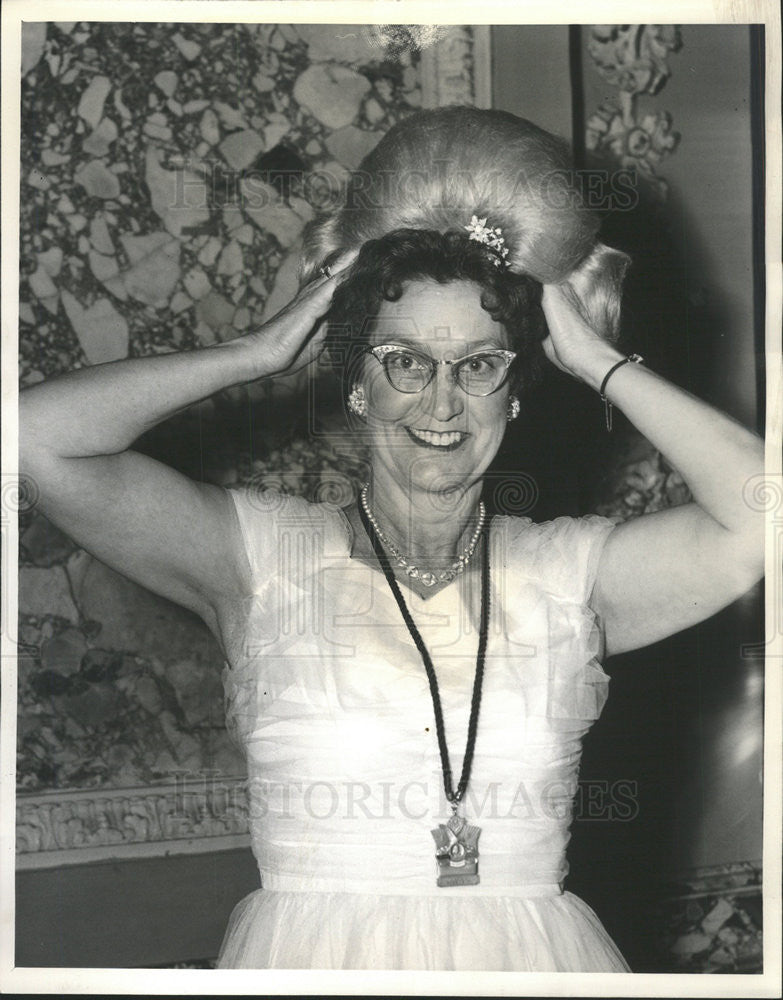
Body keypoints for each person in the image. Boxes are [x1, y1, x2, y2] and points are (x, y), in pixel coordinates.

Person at [19, 107, 764, 971]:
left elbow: (762, 512)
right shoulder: (255, 557)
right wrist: (253, 353)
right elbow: (37, 438)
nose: (440, 404)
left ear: (515, 390)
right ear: (360, 386)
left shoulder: (576, 576)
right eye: (405, 361)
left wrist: (597, 361)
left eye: (478, 366)